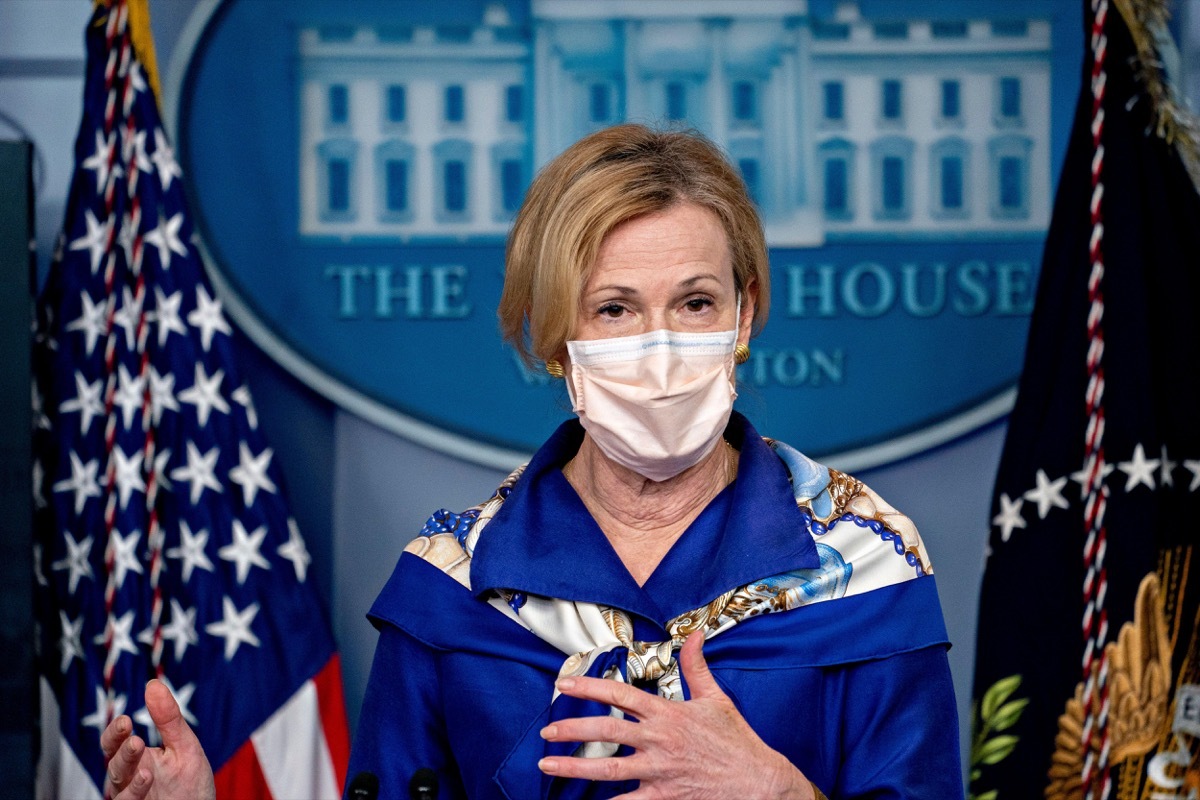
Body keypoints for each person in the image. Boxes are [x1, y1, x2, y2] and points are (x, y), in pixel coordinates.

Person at [101, 124, 962, 799]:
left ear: (744, 316)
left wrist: (781, 795)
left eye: (695, 302)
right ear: (557, 338)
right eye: (614, 309)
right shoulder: (451, 585)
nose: (659, 345)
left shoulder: (865, 563)